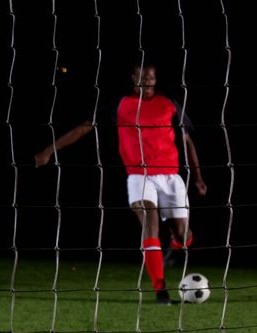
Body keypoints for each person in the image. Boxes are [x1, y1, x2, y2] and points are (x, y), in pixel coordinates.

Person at [34, 62, 208, 304]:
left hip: (170, 177)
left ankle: (176, 244)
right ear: (133, 77)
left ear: (155, 80)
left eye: (151, 77)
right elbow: (84, 128)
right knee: (149, 220)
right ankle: (161, 290)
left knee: (182, 234)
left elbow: (187, 141)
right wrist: (49, 150)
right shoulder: (118, 104)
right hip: (138, 176)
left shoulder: (169, 104)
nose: (147, 81)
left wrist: (198, 177)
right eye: (142, 77)